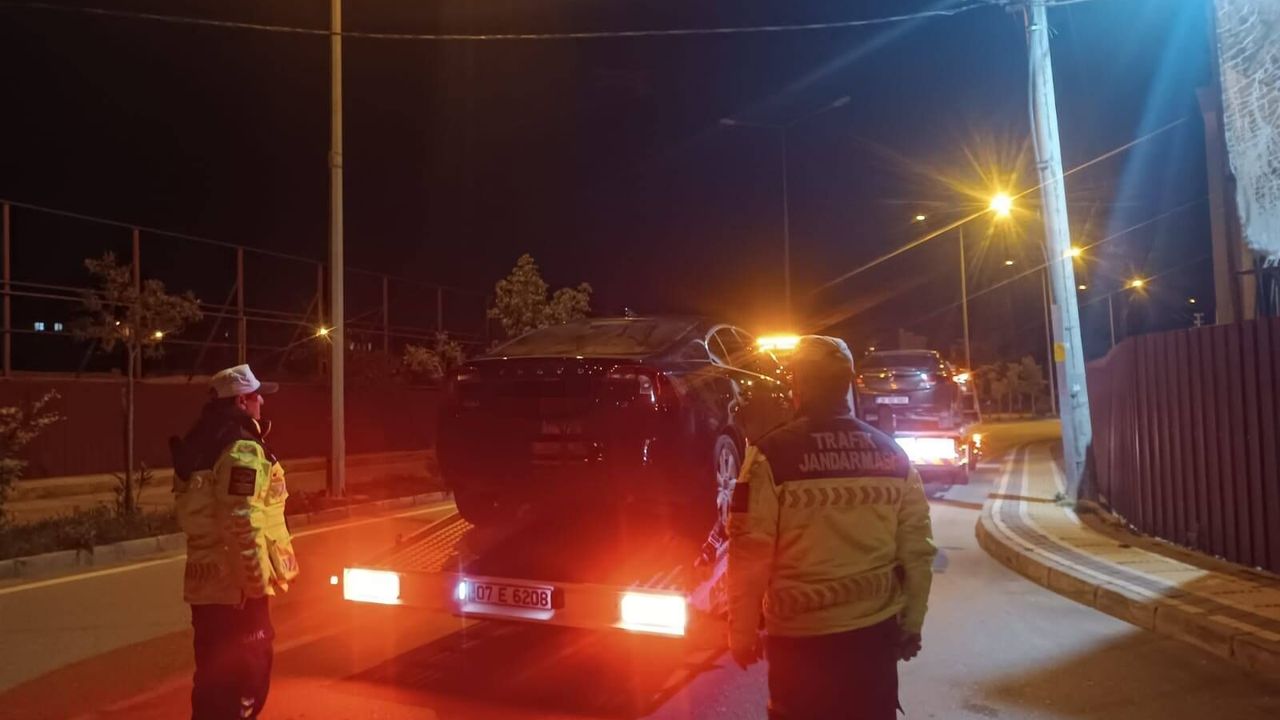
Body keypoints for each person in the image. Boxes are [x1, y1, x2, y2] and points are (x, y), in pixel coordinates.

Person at [727, 335, 937, 720]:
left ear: (798, 385)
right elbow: (918, 550)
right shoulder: (892, 455)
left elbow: (749, 551)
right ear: (848, 384)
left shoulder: (769, 456)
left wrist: (741, 632)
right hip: (873, 639)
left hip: (800, 643)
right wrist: (912, 623)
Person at [170, 364, 300, 720]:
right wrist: (254, 587)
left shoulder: (201, 440)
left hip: (208, 588)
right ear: (242, 400)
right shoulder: (241, 447)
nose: (262, 403)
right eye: (257, 396)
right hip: (236, 591)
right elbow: (242, 520)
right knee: (246, 682)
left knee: (212, 681)